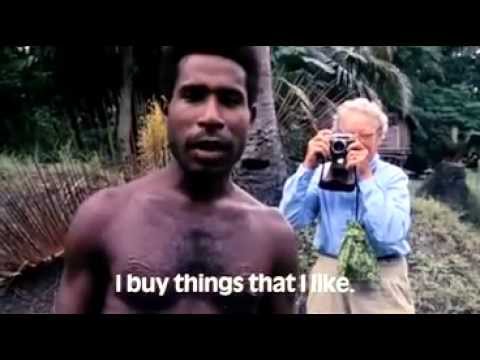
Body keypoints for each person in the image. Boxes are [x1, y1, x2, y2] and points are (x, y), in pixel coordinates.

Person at [55, 47, 297, 314]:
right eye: (194, 96)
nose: (211, 118)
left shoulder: (274, 238)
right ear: (166, 108)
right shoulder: (103, 218)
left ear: (251, 117)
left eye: (229, 99)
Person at [279, 98, 415, 314]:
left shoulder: (392, 178)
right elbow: (290, 220)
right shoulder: (321, 173)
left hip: (381, 274)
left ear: (380, 137)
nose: (356, 143)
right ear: (334, 134)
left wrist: (366, 177)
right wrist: (307, 167)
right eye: (348, 135)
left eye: (365, 136)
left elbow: (390, 234)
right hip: (330, 271)